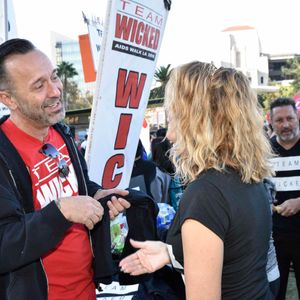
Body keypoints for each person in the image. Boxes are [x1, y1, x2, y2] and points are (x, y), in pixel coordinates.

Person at [120, 61, 274, 299]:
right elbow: (232, 255)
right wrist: (171, 253)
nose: (169, 135)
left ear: (198, 123)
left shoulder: (207, 192)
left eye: (174, 120)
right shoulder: (246, 175)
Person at [0, 38, 130, 300]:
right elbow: (4, 243)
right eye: (39, 85)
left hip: (86, 290)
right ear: (8, 99)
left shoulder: (62, 134)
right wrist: (61, 212)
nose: (55, 90)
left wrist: (98, 196)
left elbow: (78, 187)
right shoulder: (3, 154)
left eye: (54, 77)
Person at [269, 97, 300, 300]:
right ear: (271, 123)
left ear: (297, 118)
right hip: (274, 237)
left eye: (290, 118)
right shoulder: (264, 151)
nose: (286, 124)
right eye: (279, 120)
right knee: (275, 292)